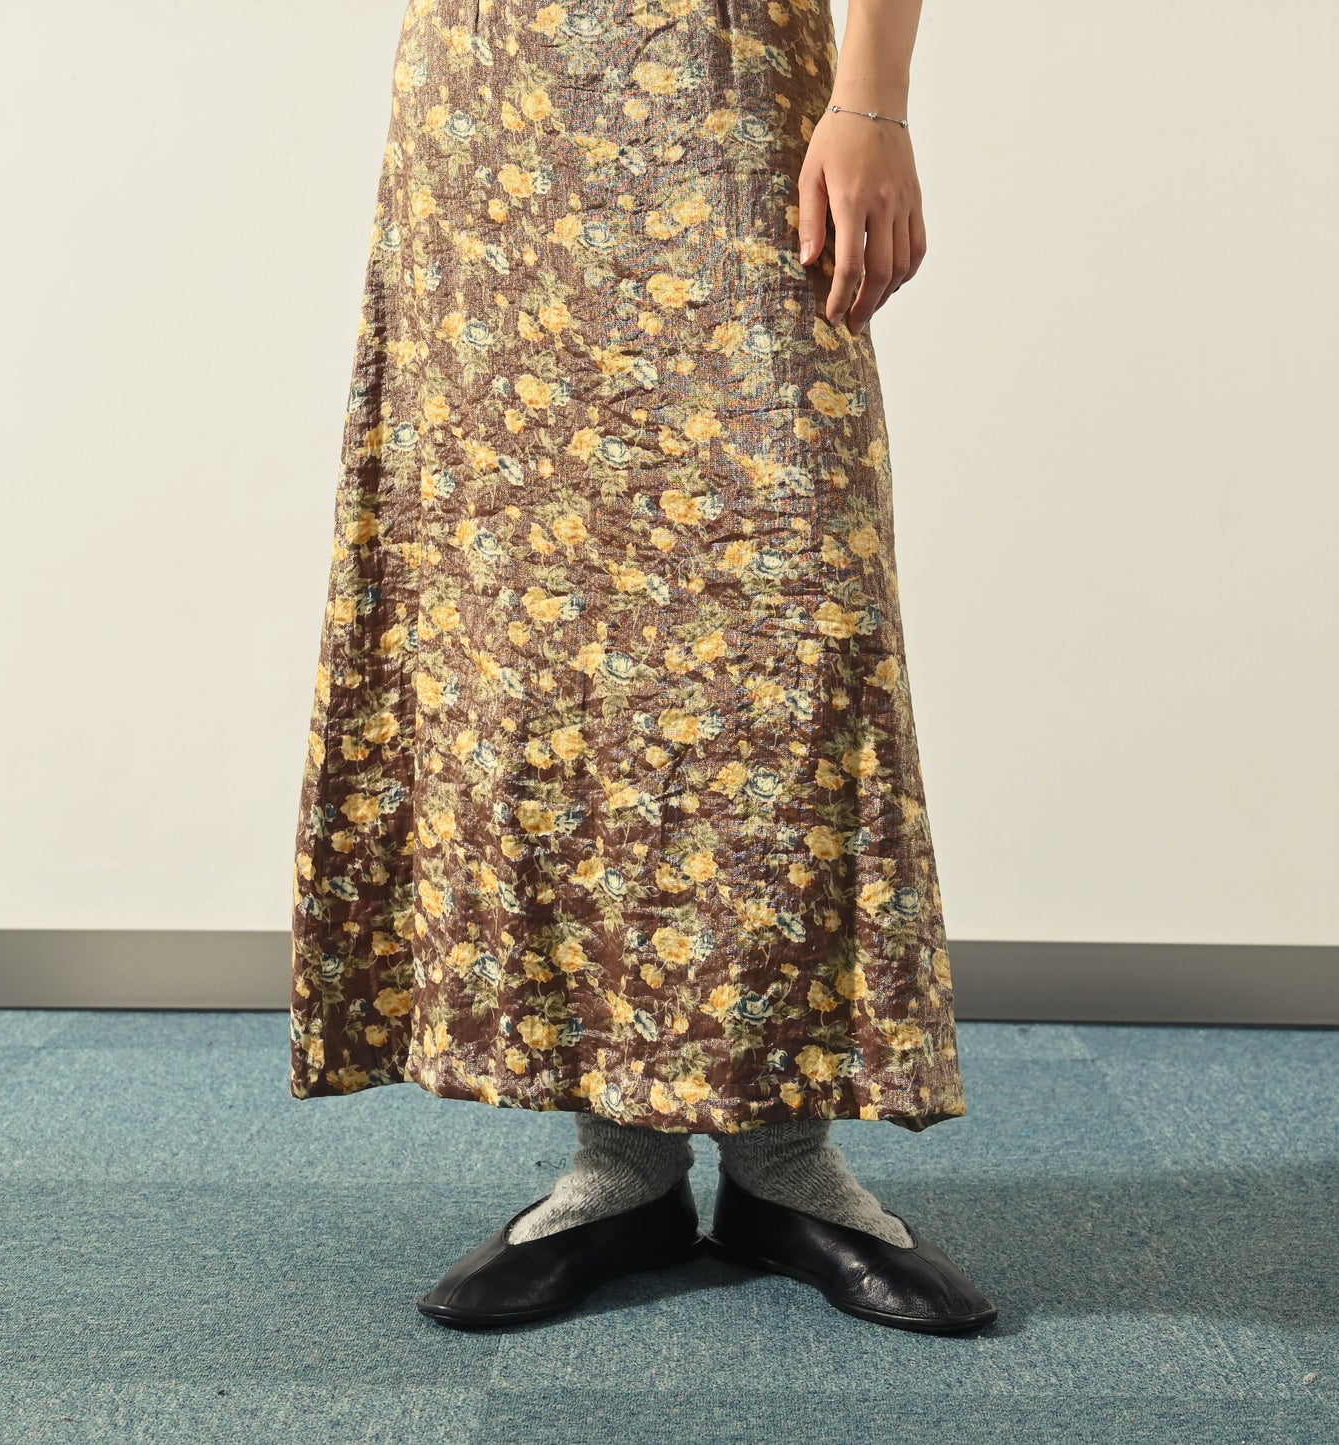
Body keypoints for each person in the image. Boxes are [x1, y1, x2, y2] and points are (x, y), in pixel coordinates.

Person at [289, 0, 996, 1335]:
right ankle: (621, 1169)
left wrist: (873, 97)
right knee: (535, 638)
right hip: (491, 120)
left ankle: (785, 1165)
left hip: (730, 87)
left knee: (784, 608)